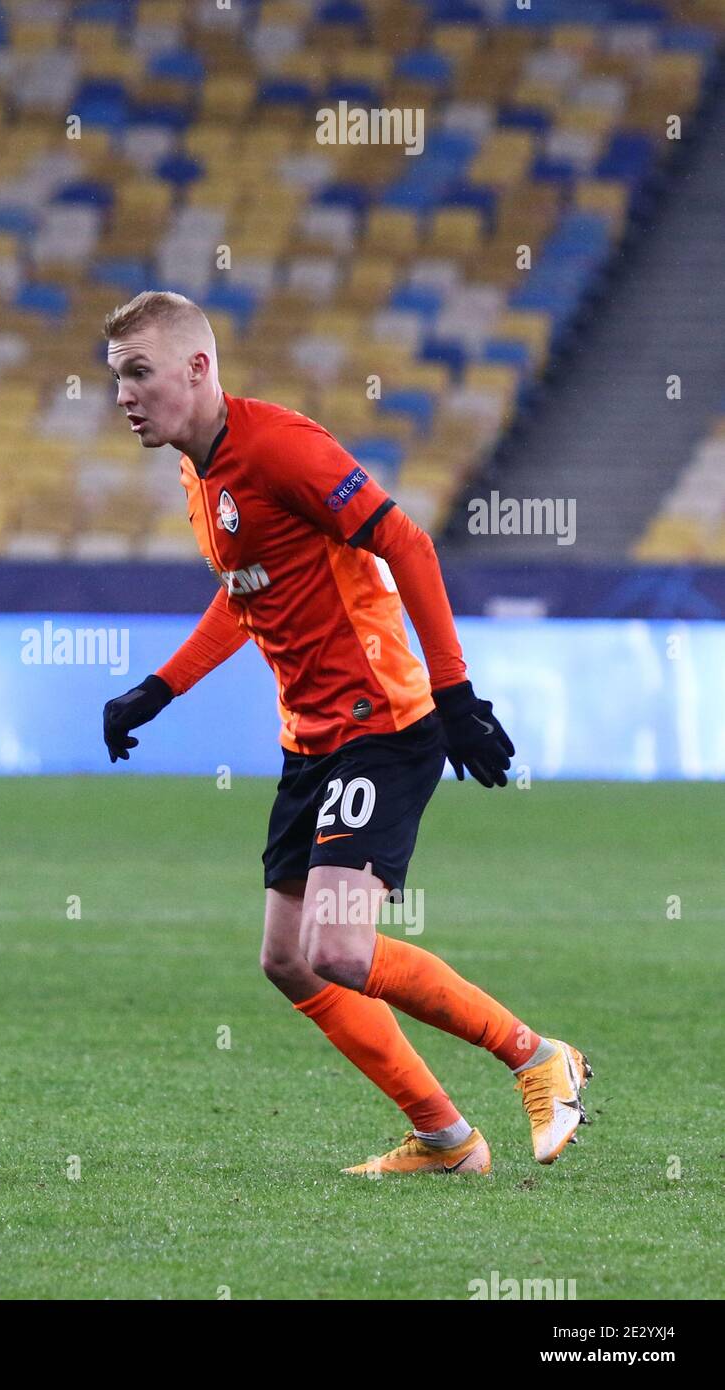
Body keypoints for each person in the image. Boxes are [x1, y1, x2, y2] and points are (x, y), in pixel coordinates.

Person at [102, 290, 590, 1174]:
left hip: (383, 722)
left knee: (337, 945)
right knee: (290, 959)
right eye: (117, 378)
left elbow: (408, 544)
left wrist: (456, 696)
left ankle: (535, 1056)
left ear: (198, 368)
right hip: (311, 740)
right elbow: (246, 587)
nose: (126, 395)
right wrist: (159, 688)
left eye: (140, 373)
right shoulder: (197, 469)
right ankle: (446, 1139)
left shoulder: (280, 447)